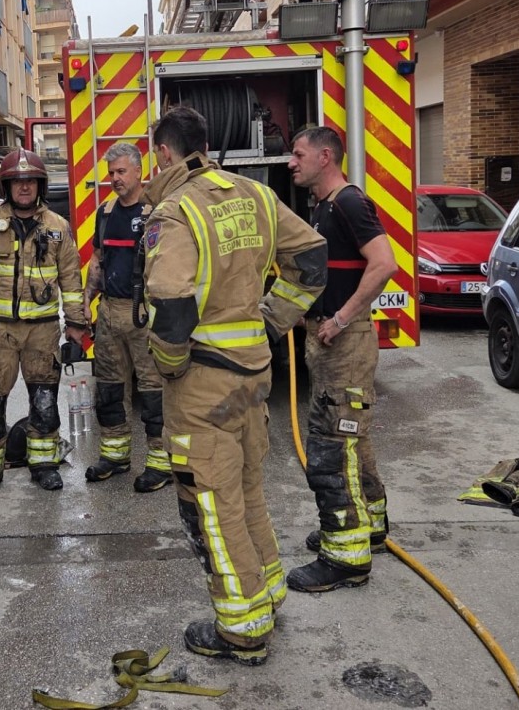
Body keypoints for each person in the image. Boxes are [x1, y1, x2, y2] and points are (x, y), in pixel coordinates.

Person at [143, 106, 327, 665]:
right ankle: (267, 593)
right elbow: (313, 260)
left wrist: (170, 366)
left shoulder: (174, 211)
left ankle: (243, 627)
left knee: (209, 503)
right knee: (246, 491)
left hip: (203, 380)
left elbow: (171, 307)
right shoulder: (255, 195)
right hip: (252, 374)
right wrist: (272, 321)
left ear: (165, 154)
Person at [288, 127, 397, 594]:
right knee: (353, 441)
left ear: (325, 156)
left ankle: (345, 555)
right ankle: (368, 527)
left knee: (333, 449)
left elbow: (385, 263)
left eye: (298, 154)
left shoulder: (350, 202)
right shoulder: (323, 207)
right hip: (328, 344)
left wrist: (340, 317)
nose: (290, 162)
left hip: (345, 344)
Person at [0, 148, 88, 490]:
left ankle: (43, 463)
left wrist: (77, 329)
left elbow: (72, 280)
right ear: (6, 187)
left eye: (30, 181)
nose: (24, 188)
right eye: (17, 182)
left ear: (40, 185)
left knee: (44, 399)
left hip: (43, 331)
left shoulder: (57, 227)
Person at [82, 142, 170, 492]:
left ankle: (160, 462)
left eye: (121, 172)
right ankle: (115, 457)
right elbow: (97, 259)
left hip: (145, 314)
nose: (115, 179)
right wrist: (87, 299)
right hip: (109, 314)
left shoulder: (157, 212)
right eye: (111, 173)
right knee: (109, 389)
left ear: (138, 171)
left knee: (153, 392)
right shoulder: (105, 213)